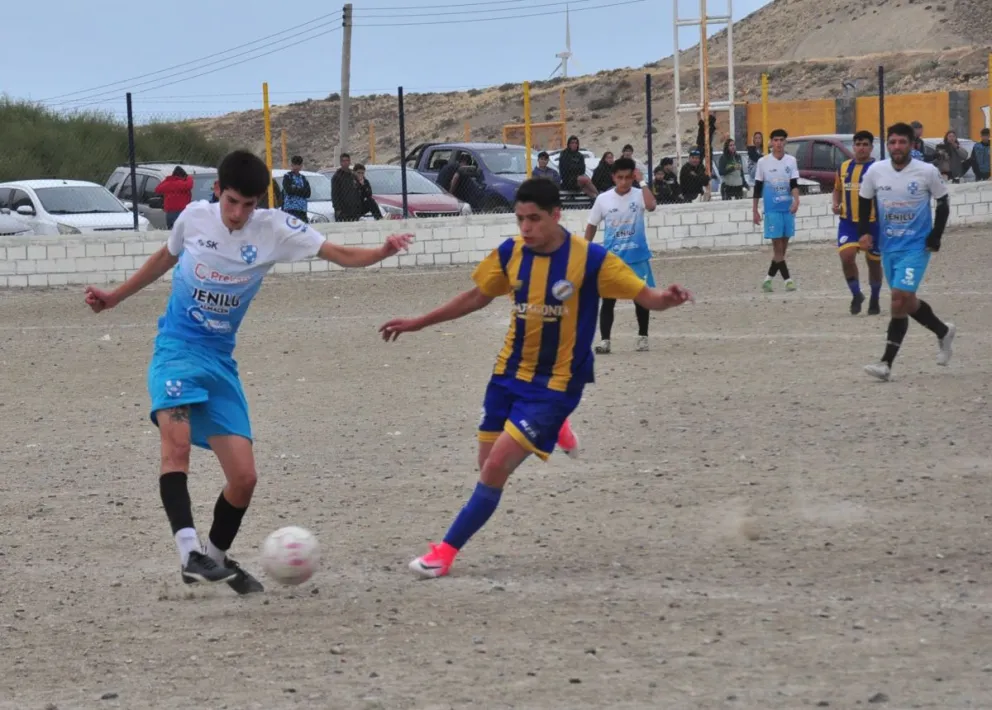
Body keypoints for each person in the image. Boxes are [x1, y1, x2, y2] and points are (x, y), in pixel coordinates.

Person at [83, 150, 413, 593]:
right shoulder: (195, 219)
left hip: (220, 362)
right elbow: (165, 258)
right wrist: (116, 296)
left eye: (249, 204)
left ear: (261, 201)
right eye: (232, 202)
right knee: (175, 448)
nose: (238, 214)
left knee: (244, 479)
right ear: (217, 191)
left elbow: (337, 252)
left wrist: (381, 251)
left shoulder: (275, 229)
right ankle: (189, 552)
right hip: (177, 351)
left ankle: (213, 560)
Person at [378, 178, 693, 579]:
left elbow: (645, 296)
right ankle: (556, 429)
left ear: (556, 215)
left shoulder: (592, 260)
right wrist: (419, 322)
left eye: (534, 219)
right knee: (485, 467)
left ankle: (444, 552)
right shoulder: (511, 253)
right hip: (507, 376)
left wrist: (667, 297)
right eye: (520, 219)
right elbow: (476, 296)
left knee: (494, 469)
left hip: (556, 387)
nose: (525, 228)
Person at [858, 123, 955, 382]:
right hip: (889, 245)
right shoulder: (876, 172)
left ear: (912, 144)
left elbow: (943, 202)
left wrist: (936, 235)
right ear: (887, 145)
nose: (897, 147)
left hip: (916, 246)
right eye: (892, 142)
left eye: (902, 142)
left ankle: (885, 364)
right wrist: (865, 232)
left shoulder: (926, 171)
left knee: (899, 297)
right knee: (907, 301)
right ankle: (943, 331)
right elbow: (864, 199)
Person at [585, 157, 658, 353]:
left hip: (637, 257)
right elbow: (592, 224)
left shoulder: (639, 194)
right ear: (613, 177)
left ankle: (643, 337)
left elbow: (651, 206)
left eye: (628, 177)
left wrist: (642, 182)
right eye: (620, 177)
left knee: (640, 298)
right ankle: (605, 341)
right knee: (608, 299)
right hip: (612, 259)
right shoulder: (603, 199)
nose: (624, 182)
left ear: (633, 176)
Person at [832, 130, 883, 315]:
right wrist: (835, 202)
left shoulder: (879, 169)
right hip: (848, 222)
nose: (861, 148)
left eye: (865, 145)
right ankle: (856, 294)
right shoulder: (844, 167)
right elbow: (837, 188)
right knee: (846, 257)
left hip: (873, 223)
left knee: (874, 263)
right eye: (858, 144)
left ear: (871, 147)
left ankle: (875, 298)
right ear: (853, 146)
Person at [753, 128, 800, 292]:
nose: (778, 143)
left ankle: (768, 280)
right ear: (771, 142)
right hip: (772, 210)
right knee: (777, 249)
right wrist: (755, 210)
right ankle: (788, 280)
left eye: (781, 140)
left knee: (783, 250)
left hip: (787, 209)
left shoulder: (791, 161)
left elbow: (794, 184)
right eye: (776, 140)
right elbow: (757, 187)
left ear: (785, 142)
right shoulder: (763, 162)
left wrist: (796, 200)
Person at [282, 155, 311, 222]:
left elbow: (308, 193)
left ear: (301, 166)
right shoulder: (287, 176)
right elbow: (288, 190)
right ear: (291, 165)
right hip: (290, 208)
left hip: (302, 209)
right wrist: (301, 190)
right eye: (294, 165)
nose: (295, 167)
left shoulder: (303, 178)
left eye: (298, 165)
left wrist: (295, 188)